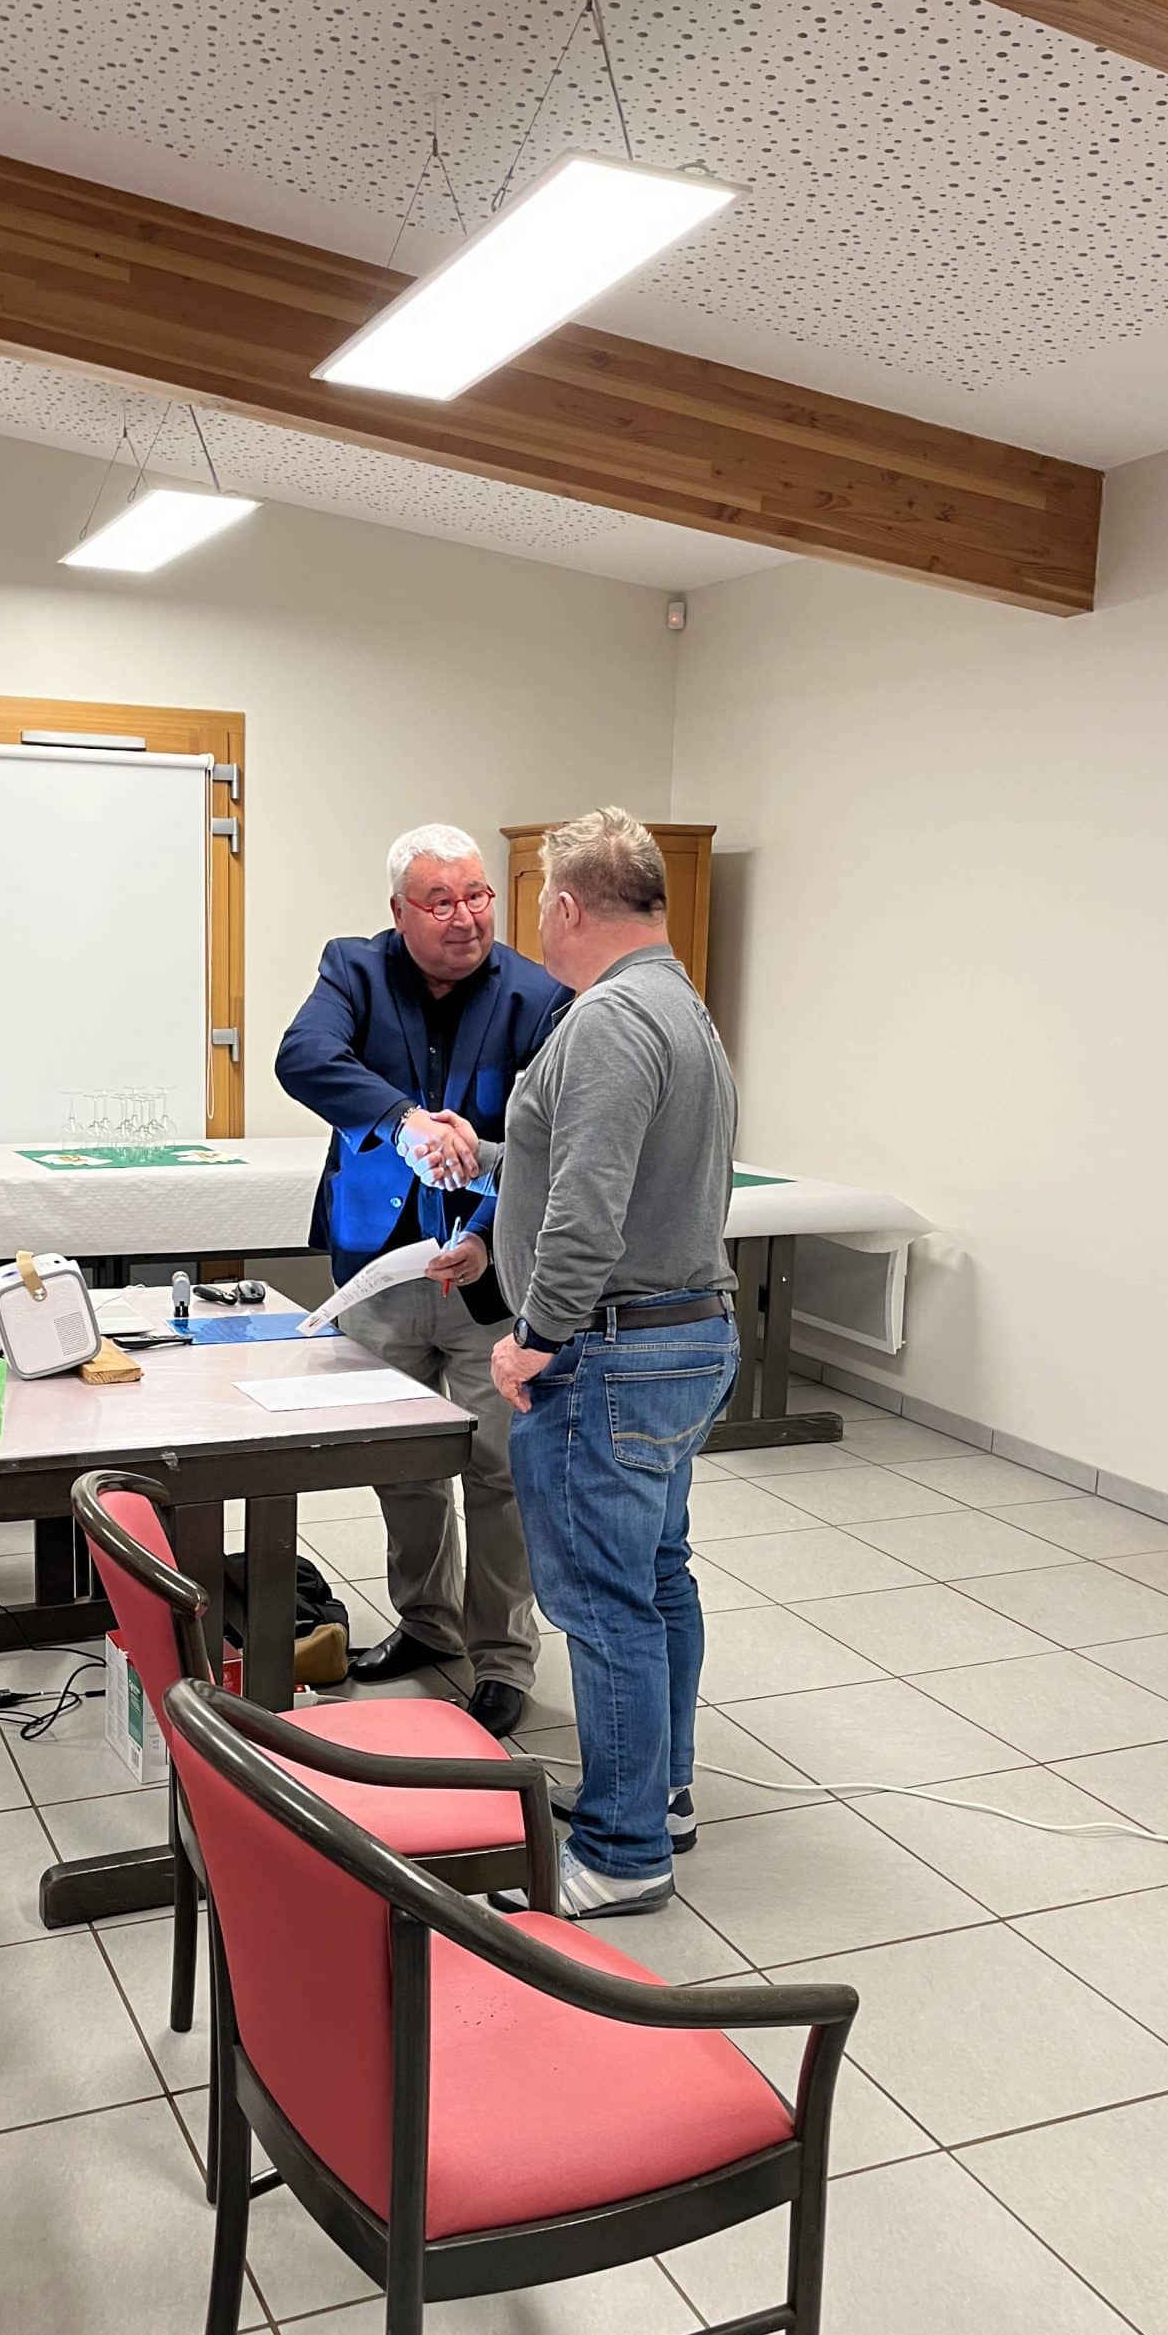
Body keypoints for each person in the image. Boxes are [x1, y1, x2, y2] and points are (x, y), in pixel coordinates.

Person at [421, 807, 739, 1916]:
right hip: (683, 1338)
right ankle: (661, 1794)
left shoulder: (605, 1022)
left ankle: (618, 1849)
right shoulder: (678, 1005)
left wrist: (533, 1336)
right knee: (655, 1579)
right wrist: (497, 1170)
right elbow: (597, 1168)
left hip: (609, 1353)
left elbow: (591, 1215)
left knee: (602, 1603)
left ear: (564, 907)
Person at [275, 823, 568, 1737]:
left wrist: (485, 1232)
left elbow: (549, 1142)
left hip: (486, 1279)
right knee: (403, 1467)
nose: (465, 916)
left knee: (496, 1472)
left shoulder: (537, 996)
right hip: (382, 1267)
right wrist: (403, 1122)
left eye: (478, 895)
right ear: (399, 911)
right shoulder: (353, 973)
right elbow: (304, 1059)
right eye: (440, 900)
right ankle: (428, 1624)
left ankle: (502, 1658)